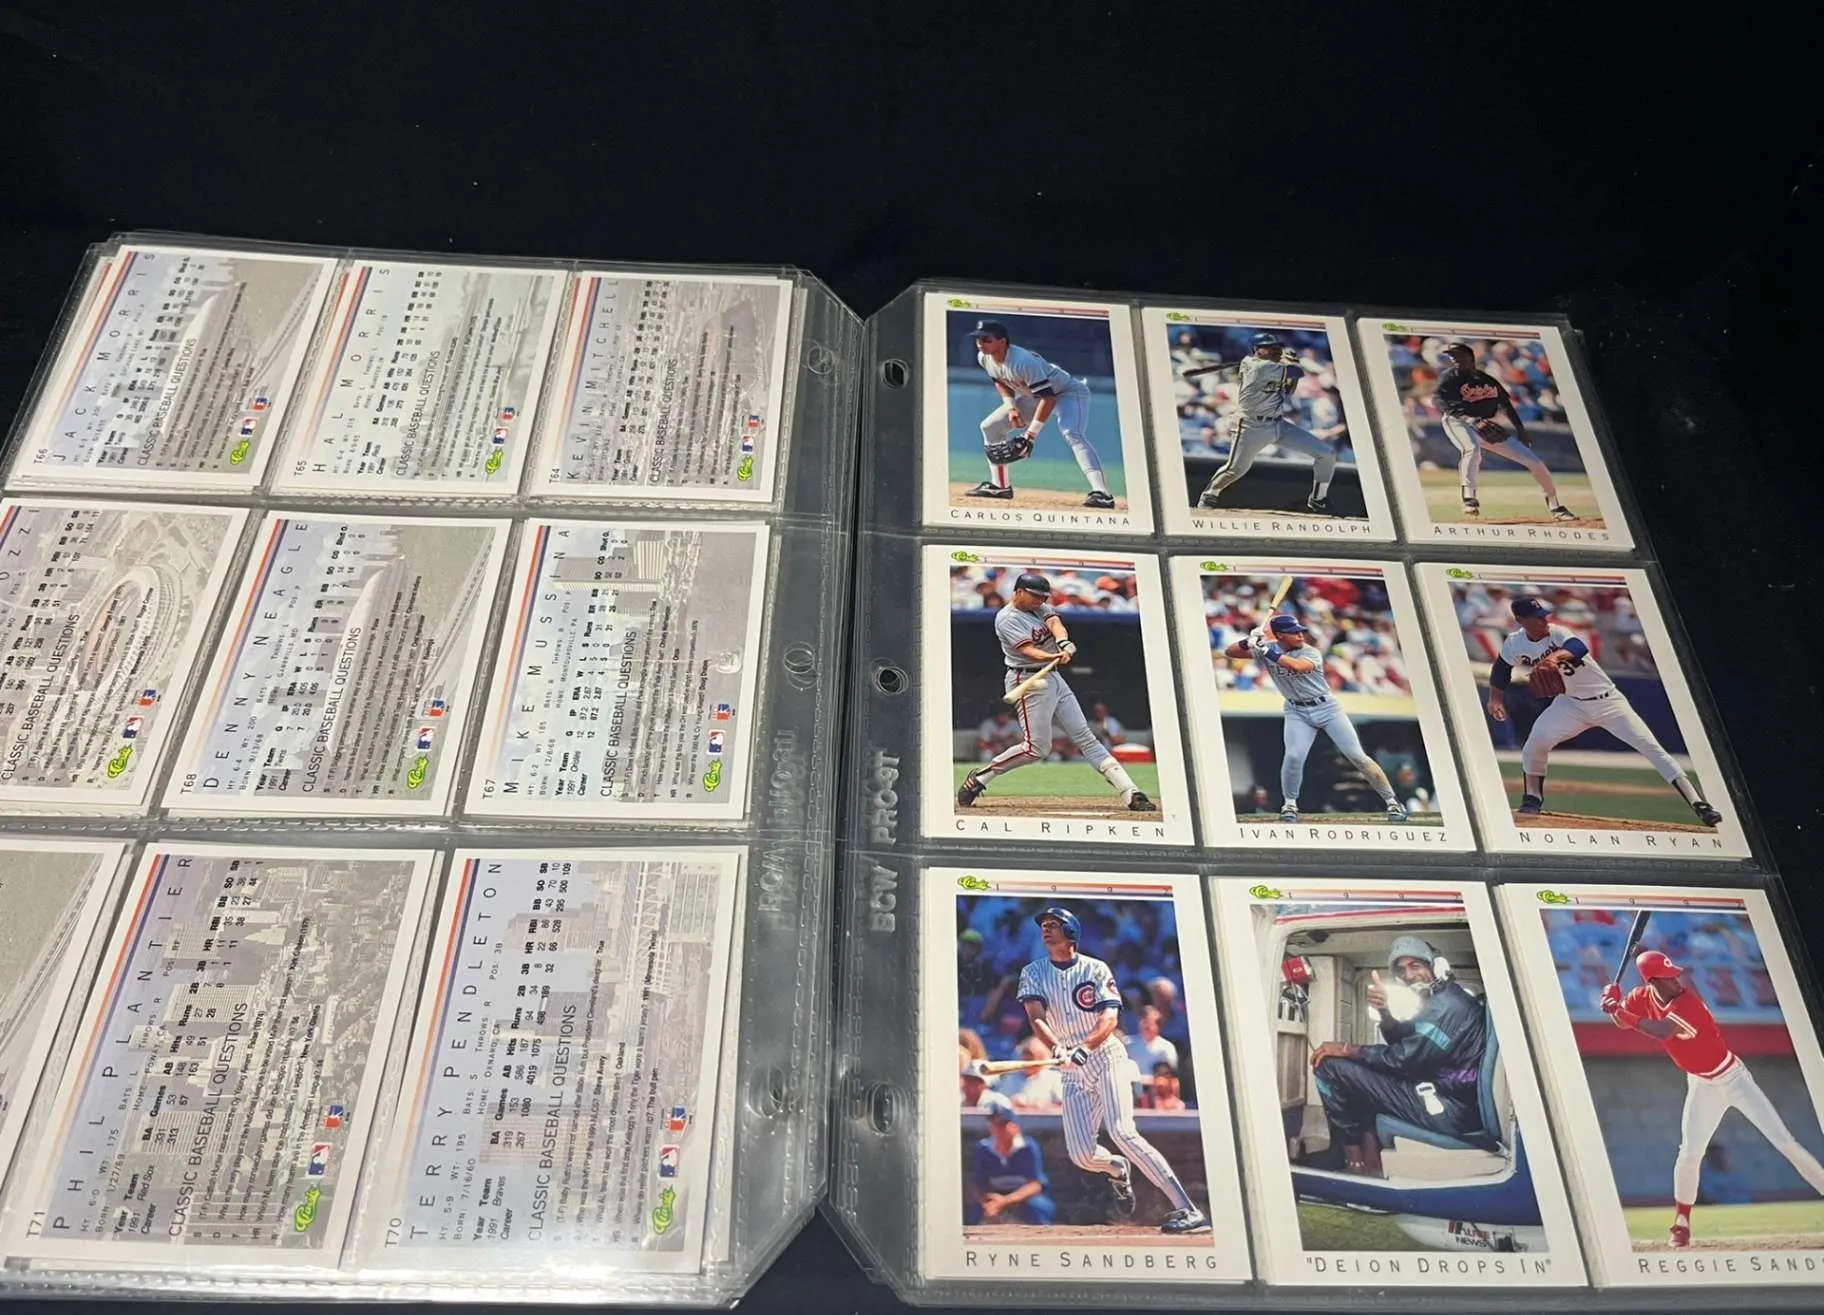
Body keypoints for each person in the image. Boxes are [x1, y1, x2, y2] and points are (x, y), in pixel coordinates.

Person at [1603, 948, 1824, 1249]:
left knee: (1785, 1143)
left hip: (1733, 1078)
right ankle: (1681, 1225)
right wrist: (1613, 1006)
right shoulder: (1642, 997)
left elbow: (1662, 1031)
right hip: (1701, 1084)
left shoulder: (1688, 1003)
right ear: (1652, 981)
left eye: (1675, 975)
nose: (1677, 980)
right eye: (1669, 977)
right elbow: (1622, 1022)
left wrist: (1620, 1010)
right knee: (1689, 1153)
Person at [1018, 907, 1209, 1233]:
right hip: (1071, 1067)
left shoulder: (1095, 968)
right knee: (1081, 1155)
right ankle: (1118, 1169)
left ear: (1071, 932)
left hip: (1105, 1055)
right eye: (1044, 925)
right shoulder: (1033, 971)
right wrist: (1057, 1048)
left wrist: (1085, 1046)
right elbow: (1036, 1017)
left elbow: (1110, 1018)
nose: (1046, 930)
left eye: (1053, 925)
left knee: (1122, 1131)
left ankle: (1188, 1209)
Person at [1487, 596, 1723, 826]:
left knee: (1652, 748)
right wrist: (1495, 699)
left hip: (1609, 703)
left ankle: (1699, 804)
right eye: (1537, 617)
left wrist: (1555, 658)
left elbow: (1578, 647)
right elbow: (1501, 669)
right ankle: (1532, 799)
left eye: (1544, 615)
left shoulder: (1557, 632)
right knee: (1535, 744)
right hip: (1570, 705)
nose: (1544, 620)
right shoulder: (1515, 642)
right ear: (1521, 620)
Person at [958, 573, 1154, 811]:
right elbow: (1029, 651)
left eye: (1043, 597)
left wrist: (1063, 643)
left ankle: (1130, 792)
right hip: (1028, 679)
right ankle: (980, 778)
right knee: (1036, 748)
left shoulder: (1039, 606)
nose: (1040, 600)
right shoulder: (1007, 618)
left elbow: (1055, 624)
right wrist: (1052, 656)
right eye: (1035, 596)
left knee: (1085, 736)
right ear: (1019, 592)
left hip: (1052, 677)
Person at [1308, 936, 1489, 1175]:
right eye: (1402, 970)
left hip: (1450, 1111)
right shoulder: (1439, 999)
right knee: (1365, 1071)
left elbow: (1403, 1060)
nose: (1408, 975)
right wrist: (1385, 1013)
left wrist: (1346, 1049)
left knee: (1329, 1067)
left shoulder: (1449, 1007)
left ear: (1436, 966)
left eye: (1415, 965)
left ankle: (1349, 1159)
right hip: (1447, 1098)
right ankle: (1368, 1157)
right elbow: (1407, 1044)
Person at [1223, 614, 1406, 824]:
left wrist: (1266, 651)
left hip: (1326, 708)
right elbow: (1230, 652)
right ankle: (1290, 805)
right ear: (1280, 635)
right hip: (1296, 711)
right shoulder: (1269, 648)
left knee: (1357, 756)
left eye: (1300, 631)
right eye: (1293, 633)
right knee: (1294, 757)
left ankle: (1392, 802)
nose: (1300, 635)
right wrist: (1247, 642)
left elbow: (1297, 666)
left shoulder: (1310, 652)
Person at [962, 319, 1115, 509]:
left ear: (1002, 341)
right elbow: (1000, 381)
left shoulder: (1023, 361)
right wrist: (1011, 407)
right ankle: (1000, 486)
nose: (980, 343)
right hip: (1035, 396)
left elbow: (1049, 398)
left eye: (986, 339)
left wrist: (1030, 436)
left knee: (1072, 433)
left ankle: (1102, 493)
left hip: (1067, 392)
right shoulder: (984, 358)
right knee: (990, 427)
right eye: (978, 339)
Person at [1194, 333, 1340, 514]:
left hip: (1278, 424)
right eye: (1265, 347)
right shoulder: (1257, 367)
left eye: (1272, 346)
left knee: (1326, 453)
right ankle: (1210, 493)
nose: (1271, 350)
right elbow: (1295, 372)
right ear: (1256, 349)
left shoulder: (1269, 364)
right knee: (1235, 469)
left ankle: (1318, 499)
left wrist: (1290, 363)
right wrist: (1292, 362)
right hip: (1251, 426)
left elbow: (1289, 389)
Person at [1431, 340, 1576, 521]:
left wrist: (1520, 429)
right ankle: (1469, 498)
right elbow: (1438, 401)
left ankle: (1556, 506)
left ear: (1470, 358)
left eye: (1458, 356)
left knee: (1536, 463)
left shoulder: (1485, 380)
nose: (1454, 360)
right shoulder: (1448, 377)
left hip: (1485, 425)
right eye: (1452, 357)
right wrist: (1469, 419)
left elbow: (1505, 405)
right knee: (1472, 449)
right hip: (1458, 422)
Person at [965, 1093, 1059, 1226]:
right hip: (995, 1196)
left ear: (1015, 1127)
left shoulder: (1027, 1147)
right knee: (975, 1213)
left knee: (1038, 1207)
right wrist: (987, 1202)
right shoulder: (983, 1149)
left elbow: (1034, 1186)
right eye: (995, 1124)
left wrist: (1005, 1202)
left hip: (1023, 1198)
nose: (999, 1129)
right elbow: (977, 1186)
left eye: (1004, 1124)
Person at [998, 1037, 1065, 1110]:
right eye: (1025, 1055)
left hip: (1044, 1116)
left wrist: (1035, 1105)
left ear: (1042, 1057)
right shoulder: (1010, 1078)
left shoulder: (1054, 1078)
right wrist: (1012, 1103)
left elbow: (1063, 1106)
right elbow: (999, 1103)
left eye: (1031, 1056)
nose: (1027, 1059)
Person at [1124, 1005, 1180, 1077]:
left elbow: (1168, 1076)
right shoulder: (1127, 1043)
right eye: (1144, 1022)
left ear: (1158, 1026)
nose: (1146, 1026)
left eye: (1150, 1023)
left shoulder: (1167, 1047)